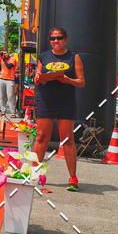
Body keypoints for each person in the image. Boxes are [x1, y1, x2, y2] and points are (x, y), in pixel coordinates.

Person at [33, 27, 85, 191]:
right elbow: (37, 78)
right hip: (46, 101)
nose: (56, 41)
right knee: (41, 137)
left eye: (60, 38)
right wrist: (38, 77)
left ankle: (73, 178)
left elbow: (81, 82)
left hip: (65, 102)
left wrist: (68, 80)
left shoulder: (74, 57)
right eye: (53, 38)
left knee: (67, 139)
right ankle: (34, 174)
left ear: (66, 39)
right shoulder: (44, 56)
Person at [0, 49, 19, 118]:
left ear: (8, 53)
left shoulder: (12, 59)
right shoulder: (1, 58)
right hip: (2, 79)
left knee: (10, 96)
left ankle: (13, 112)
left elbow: (9, 66)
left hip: (10, 80)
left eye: (5, 53)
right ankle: (3, 111)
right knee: (2, 96)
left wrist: (3, 59)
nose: (4, 55)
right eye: (3, 54)